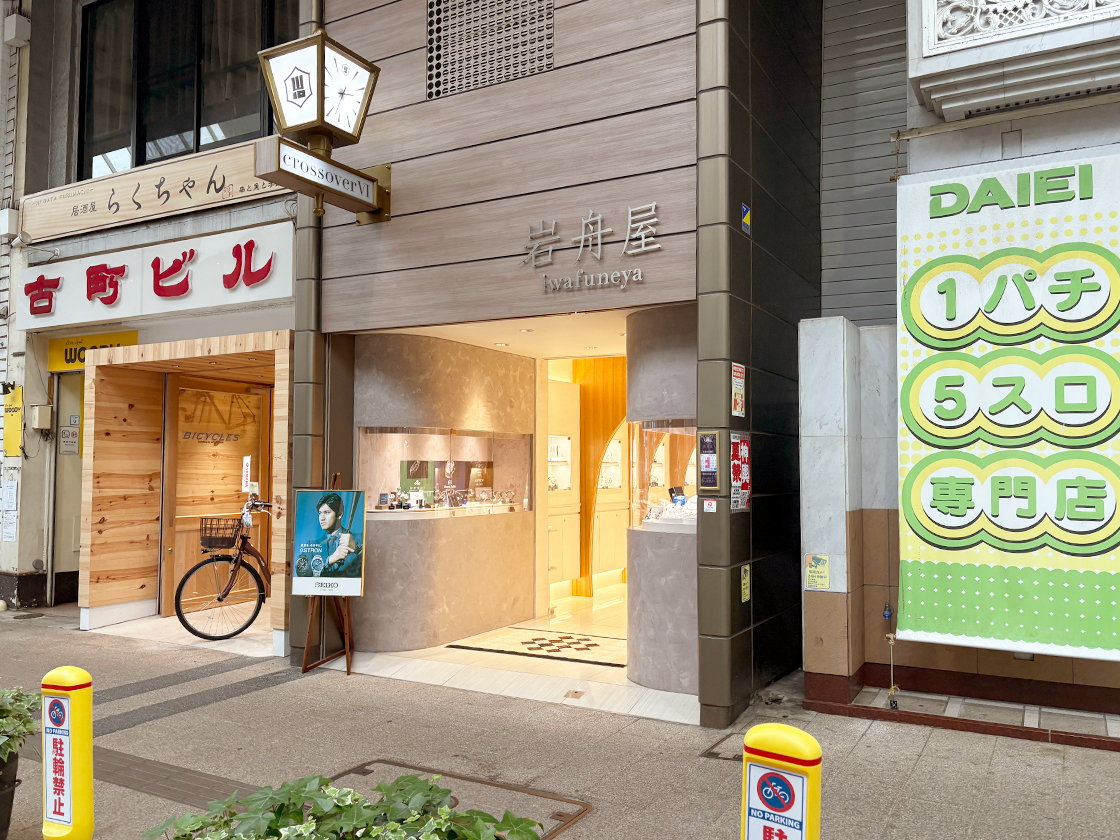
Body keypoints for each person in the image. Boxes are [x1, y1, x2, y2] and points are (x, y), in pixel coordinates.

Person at [296, 492, 362, 579]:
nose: (322, 518)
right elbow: (301, 572)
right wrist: (330, 560)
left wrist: (356, 548)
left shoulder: (358, 539)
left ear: (339, 515)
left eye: (327, 512)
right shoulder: (311, 544)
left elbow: (371, 565)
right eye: (320, 513)